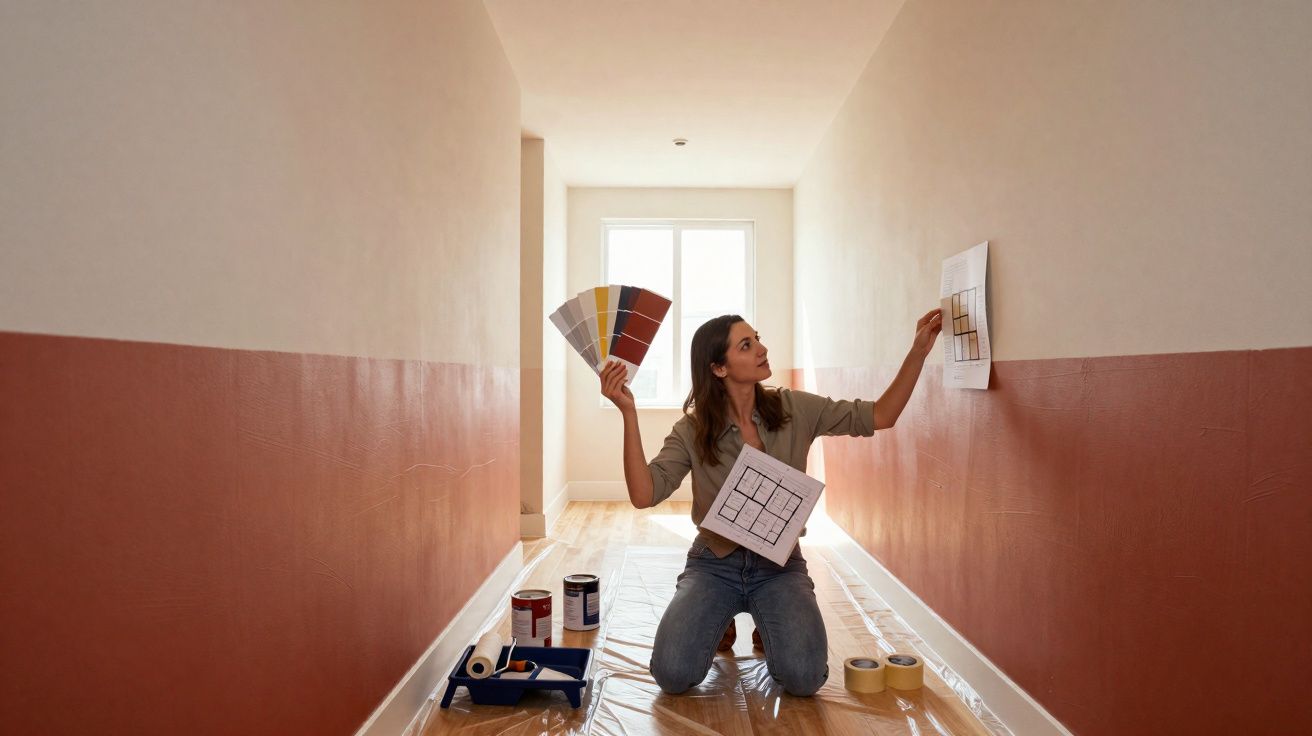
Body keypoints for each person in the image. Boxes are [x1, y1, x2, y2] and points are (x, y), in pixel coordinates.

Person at [599, 308, 943, 696]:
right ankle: (723, 614)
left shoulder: (795, 408)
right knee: (672, 675)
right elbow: (644, 495)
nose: (762, 348)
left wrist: (918, 352)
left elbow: (882, 415)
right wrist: (628, 413)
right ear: (718, 368)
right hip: (715, 564)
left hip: (779, 566)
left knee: (805, 678)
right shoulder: (693, 429)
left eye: (757, 338)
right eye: (747, 345)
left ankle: (765, 617)